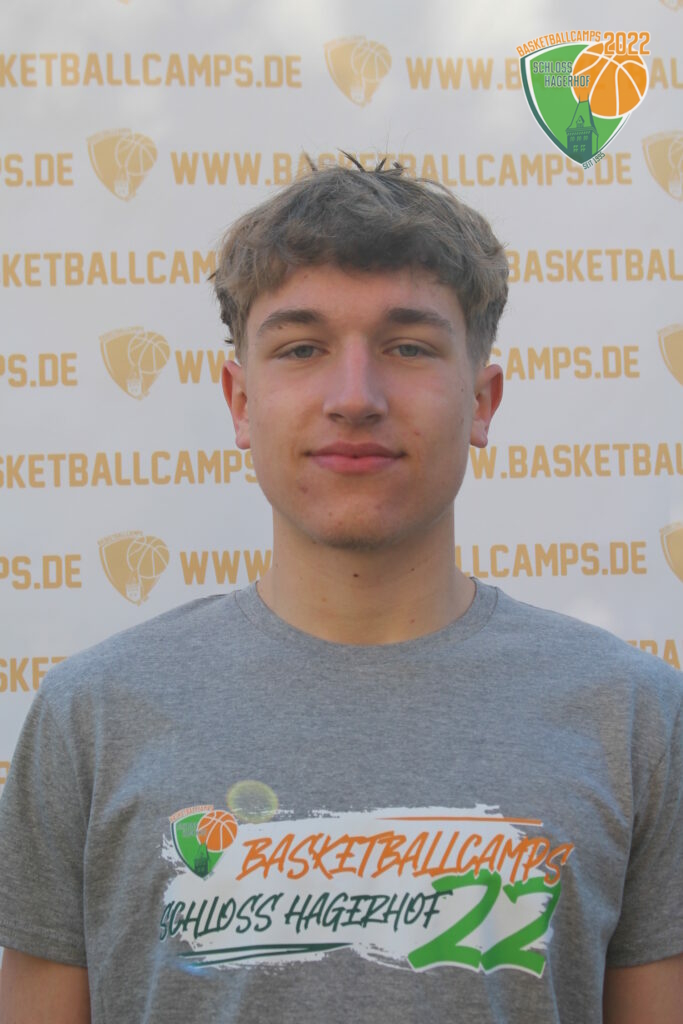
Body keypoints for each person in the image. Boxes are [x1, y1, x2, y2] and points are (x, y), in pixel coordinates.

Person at [0, 163, 681, 1024]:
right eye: (301, 348)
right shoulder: (91, 718)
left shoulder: (635, 719)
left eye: (407, 347)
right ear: (239, 402)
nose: (353, 398)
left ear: (482, 401)